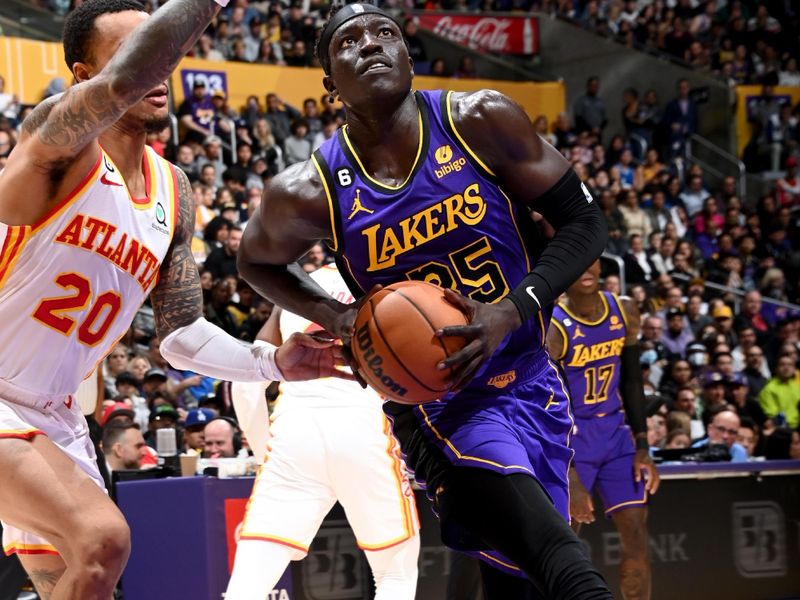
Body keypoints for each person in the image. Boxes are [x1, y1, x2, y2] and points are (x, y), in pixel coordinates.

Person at [237, 5, 611, 598]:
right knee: (557, 556)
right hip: (437, 405)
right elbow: (253, 260)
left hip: (532, 379)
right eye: (349, 42)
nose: (371, 44)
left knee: (518, 578)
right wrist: (340, 317)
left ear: (410, 56)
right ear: (330, 84)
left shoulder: (479, 120)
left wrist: (514, 308)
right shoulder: (309, 188)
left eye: (386, 32)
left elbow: (584, 220)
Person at [0, 1, 349, 597]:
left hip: (53, 416)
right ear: (85, 78)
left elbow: (180, 336)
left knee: (88, 579)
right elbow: (120, 83)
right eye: (142, 52)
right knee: (102, 540)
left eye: (166, 53)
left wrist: (273, 363)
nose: (161, 68)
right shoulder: (54, 142)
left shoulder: (174, 189)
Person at [226, 265, 420, 599]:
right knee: (394, 575)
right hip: (364, 427)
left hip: (294, 431)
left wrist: (266, 459)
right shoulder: (395, 284)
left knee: (248, 584)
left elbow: (245, 388)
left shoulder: (294, 288)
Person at [549, 260, 659, 600]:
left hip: (614, 435)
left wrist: (642, 444)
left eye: (591, 257)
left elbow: (632, 380)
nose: (584, 266)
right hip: (572, 440)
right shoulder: (554, 325)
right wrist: (568, 471)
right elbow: (549, 403)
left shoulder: (624, 309)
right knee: (565, 547)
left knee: (637, 538)